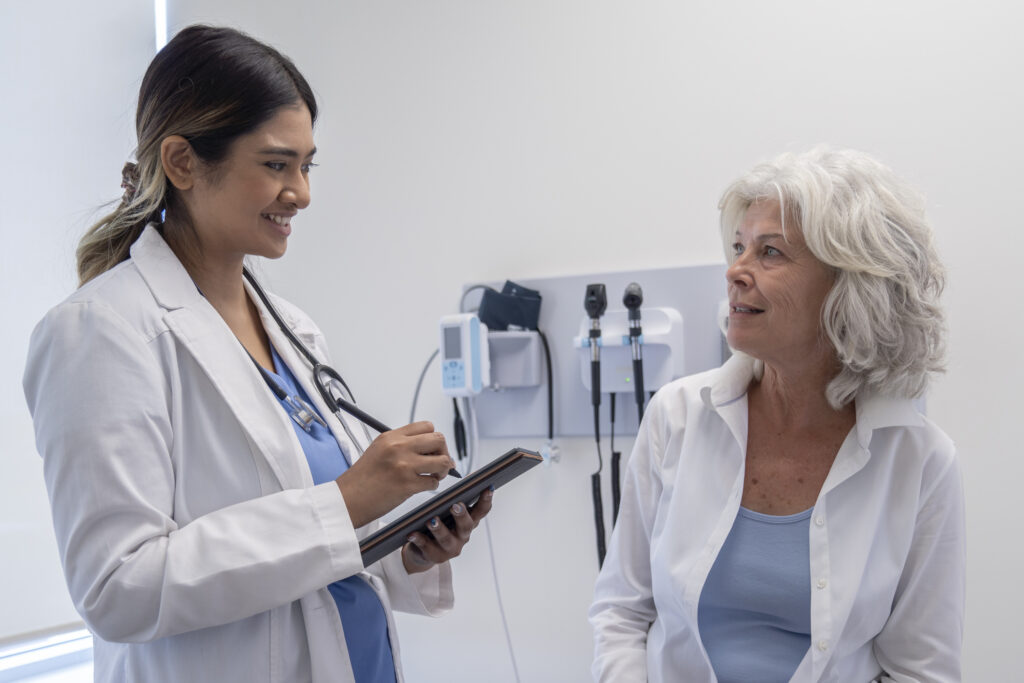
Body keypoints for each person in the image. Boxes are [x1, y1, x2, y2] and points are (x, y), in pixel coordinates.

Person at [22, 25, 491, 683]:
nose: (300, 192)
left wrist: (408, 544)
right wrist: (350, 499)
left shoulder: (293, 330)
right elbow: (117, 586)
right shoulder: (101, 332)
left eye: (306, 165)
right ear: (182, 162)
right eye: (276, 164)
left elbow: (319, 549)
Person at [589, 147, 965, 682]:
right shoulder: (676, 417)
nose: (735, 271)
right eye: (739, 247)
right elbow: (622, 612)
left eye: (770, 253)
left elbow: (921, 670)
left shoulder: (920, 461)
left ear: (849, 286)